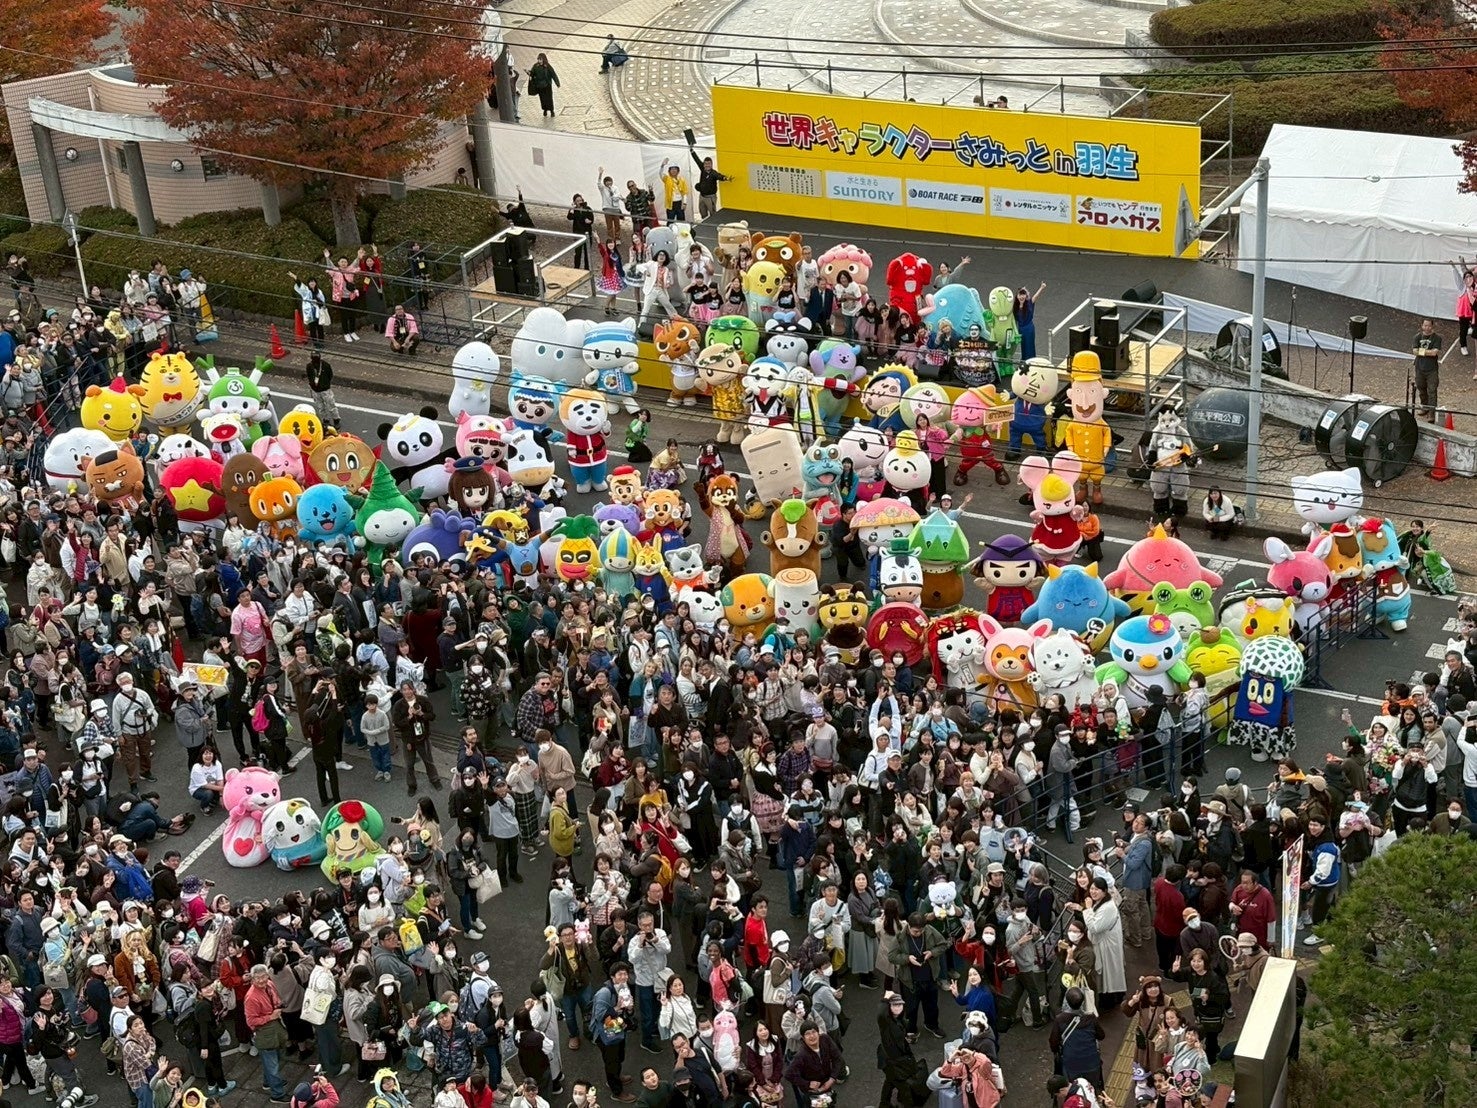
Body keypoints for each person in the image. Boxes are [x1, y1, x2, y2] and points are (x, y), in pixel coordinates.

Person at [1048, 988, 1105, 1092]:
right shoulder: (1091, 1018)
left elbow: (1053, 1043)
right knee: (1093, 1089)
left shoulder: (1060, 1020)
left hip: (1071, 1064)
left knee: (1073, 1091)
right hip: (1092, 1063)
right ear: (1083, 1002)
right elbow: (1101, 1036)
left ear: (1067, 1002)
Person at [1412, 317, 1442, 422]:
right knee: (1421, 388)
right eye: (1425, 325)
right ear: (1422, 326)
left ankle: (1431, 413)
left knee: (1432, 391)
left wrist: (1422, 352)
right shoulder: (1417, 337)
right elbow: (1414, 351)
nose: (1427, 327)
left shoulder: (1437, 338)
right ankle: (1424, 407)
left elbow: (1435, 352)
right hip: (1419, 368)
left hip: (1432, 369)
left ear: (1432, 326)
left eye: (1429, 325)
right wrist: (1428, 352)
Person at [689, 149, 730, 222]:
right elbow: (697, 160)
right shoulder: (703, 169)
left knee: (713, 214)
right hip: (702, 196)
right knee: (702, 212)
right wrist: (692, 151)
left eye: (709, 164)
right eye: (706, 164)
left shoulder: (713, 173)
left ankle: (714, 226)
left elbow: (719, 176)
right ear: (704, 164)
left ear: (711, 164)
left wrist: (725, 178)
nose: (707, 165)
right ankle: (705, 225)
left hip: (710, 197)